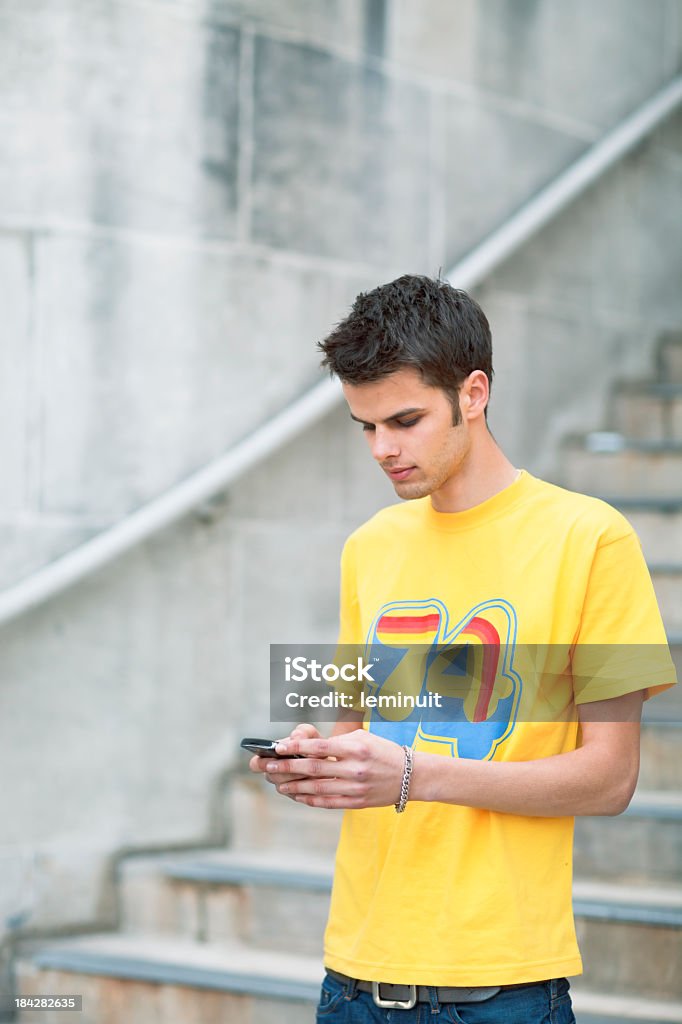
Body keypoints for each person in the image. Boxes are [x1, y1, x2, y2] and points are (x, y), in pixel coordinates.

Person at [249, 275, 677, 1023]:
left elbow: (610, 779)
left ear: (473, 393)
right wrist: (317, 760)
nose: (384, 449)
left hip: (500, 988)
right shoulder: (368, 547)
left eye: (405, 420)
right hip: (351, 977)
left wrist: (413, 774)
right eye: (365, 426)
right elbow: (356, 731)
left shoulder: (590, 538)